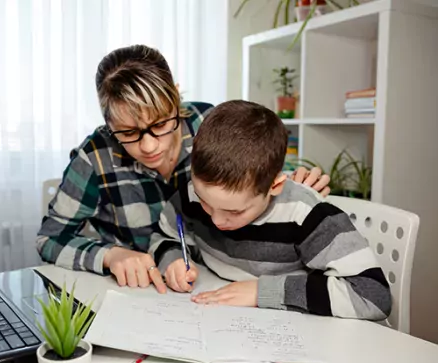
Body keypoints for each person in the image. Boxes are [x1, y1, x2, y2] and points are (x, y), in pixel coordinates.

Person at [36, 44, 331, 294]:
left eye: (161, 124)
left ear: (175, 98)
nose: (149, 146)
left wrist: (295, 182)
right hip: (137, 292)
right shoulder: (95, 157)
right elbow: (49, 240)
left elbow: (261, 172)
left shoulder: (210, 123)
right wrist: (111, 256)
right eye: (127, 132)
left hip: (218, 281)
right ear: (108, 123)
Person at [149, 100, 391, 320]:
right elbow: (165, 235)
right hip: (218, 314)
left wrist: (261, 292)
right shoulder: (191, 194)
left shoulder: (307, 216)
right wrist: (172, 260)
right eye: (205, 202)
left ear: (274, 185)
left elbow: (373, 295)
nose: (216, 219)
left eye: (234, 212)